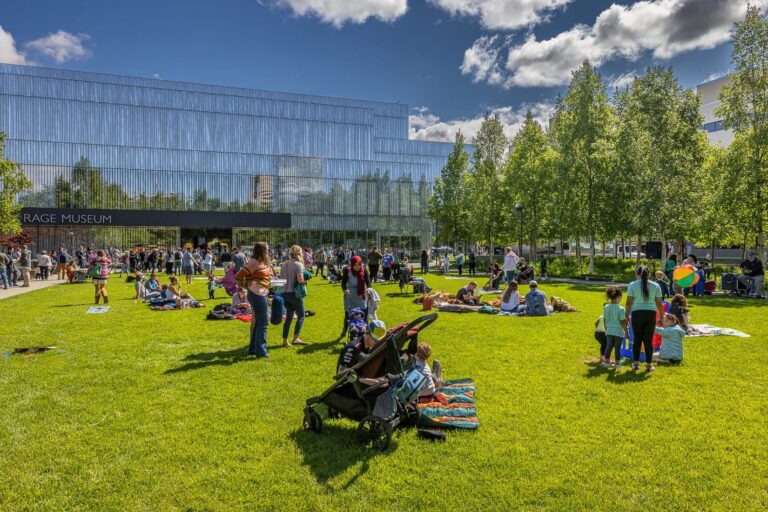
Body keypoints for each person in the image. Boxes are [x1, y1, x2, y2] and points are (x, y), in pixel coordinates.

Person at [625, 265, 665, 372]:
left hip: (637, 314)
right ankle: (649, 365)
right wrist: (662, 317)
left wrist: (626, 316)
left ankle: (636, 364)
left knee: (637, 339)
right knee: (648, 340)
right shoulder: (656, 285)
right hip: (650, 314)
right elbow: (659, 304)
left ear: (636, 274)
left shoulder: (632, 285)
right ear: (650, 274)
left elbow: (628, 303)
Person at [238, 241, 273, 358]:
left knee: (258, 322)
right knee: (263, 323)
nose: (268, 251)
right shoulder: (253, 262)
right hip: (257, 295)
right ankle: (261, 352)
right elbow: (238, 276)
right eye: (266, 249)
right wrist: (246, 285)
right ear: (261, 250)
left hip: (261, 294)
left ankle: (253, 349)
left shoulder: (261, 262)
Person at [280, 245, 308, 348]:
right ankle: (296, 338)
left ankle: (285, 341)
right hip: (294, 294)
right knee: (301, 315)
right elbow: (300, 280)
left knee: (289, 317)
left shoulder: (283, 264)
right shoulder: (298, 265)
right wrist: (306, 281)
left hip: (284, 293)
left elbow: (281, 280)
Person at [340, 255, 370, 338]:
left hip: (361, 295)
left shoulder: (364, 270)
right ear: (352, 264)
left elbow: (368, 282)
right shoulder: (347, 270)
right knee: (348, 314)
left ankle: (365, 332)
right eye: (355, 265)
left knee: (364, 313)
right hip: (350, 296)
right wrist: (345, 290)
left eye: (359, 265)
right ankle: (345, 329)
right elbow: (343, 283)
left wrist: (369, 290)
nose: (357, 267)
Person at [602, 286, 628, 368]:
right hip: (618, 331)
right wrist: (626, 332)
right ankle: (617, 364)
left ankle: (606, 362)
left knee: (609, 346)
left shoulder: (606, 307)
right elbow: (623, 322)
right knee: (617, 348)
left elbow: (605, 320)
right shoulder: (621, 309)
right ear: (618, 297)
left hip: (609, 330)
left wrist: (606, 329)